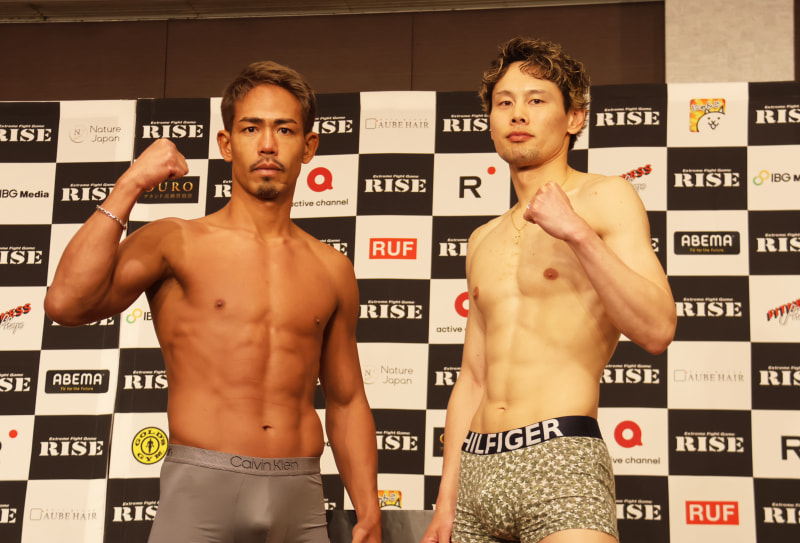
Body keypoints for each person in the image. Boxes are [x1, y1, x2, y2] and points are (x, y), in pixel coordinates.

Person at [44, 61, 381, 543]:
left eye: (285, 129)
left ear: (308, 147)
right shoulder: (176, 241)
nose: (268, 145)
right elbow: (66, 303)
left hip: (300, 498)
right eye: (251, 128)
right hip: (200, 491)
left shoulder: (332, 268)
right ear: (226, 143)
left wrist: (368, 507)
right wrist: (130, 184)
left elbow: (346, 400)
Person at [422, 37, 676, 543]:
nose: (518, 113)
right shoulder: (482, 239)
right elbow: (472, 377)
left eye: (536, 100)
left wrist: (577, 233)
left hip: (559, 455)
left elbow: (657, 329)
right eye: (504, 102)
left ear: (574, 117)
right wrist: (446, 501)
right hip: (476, 468)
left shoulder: (605, 196)